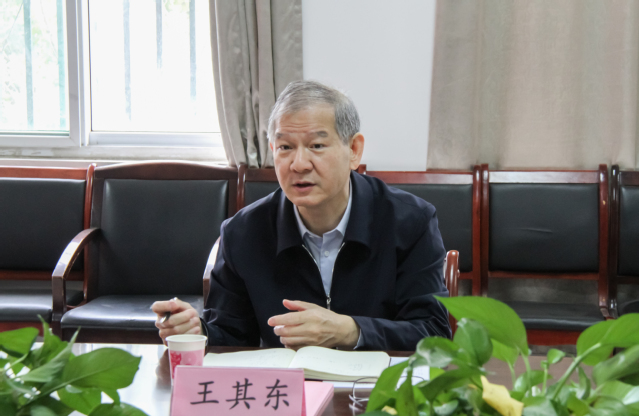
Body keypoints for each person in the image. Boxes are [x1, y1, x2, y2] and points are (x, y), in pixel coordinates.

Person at [152, 80, 451, 351]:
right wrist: (198, 332)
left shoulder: (410, 221)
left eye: (316, 146)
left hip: (379, 387)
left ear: (354, 150)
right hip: (289, 388)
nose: (299, 164)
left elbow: (433, 332)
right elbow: (231, 335)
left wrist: (349, 331)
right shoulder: (243, 232)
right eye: (285, 147)